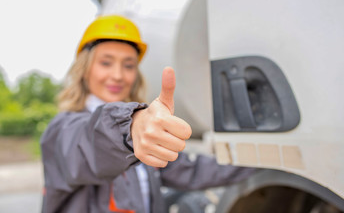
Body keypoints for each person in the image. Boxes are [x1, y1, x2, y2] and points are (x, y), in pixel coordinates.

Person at [41, 15, 255, 213]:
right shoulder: (62, 131)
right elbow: (91, 142)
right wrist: (130, 127)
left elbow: (192, 170)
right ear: (84, 69)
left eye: (128, 65)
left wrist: (255, 159)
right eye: (106, 63)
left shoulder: (146, 136)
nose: (117, 75)